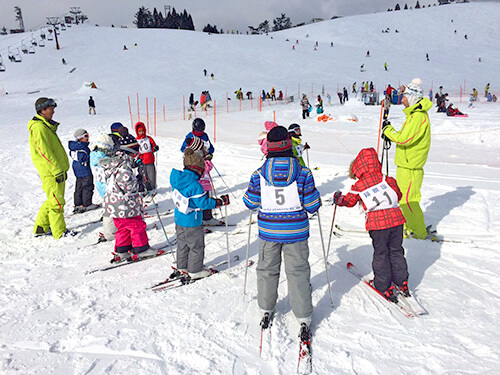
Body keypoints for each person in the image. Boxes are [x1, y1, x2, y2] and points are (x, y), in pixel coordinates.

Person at [242, 126, 321, 339]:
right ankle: (303, 315)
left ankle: (266, 307)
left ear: (269, 148)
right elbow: (312, 204)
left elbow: (250, 201)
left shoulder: (259, 173)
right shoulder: (303, 172)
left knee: (267, 269)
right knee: (298, 271)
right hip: (295, 231)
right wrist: (315, 201)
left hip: (269, 231)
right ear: (288, 145)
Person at [332, 148, 409, 302]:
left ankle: (382, 285)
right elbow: (398, 195)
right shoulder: (388, 179)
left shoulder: (359, 186)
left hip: (378, 225)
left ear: (358, 167)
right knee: (396, 251)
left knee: (381, 253)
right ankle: (402, 282)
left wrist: (339, 199)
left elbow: (348, 201)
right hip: (397, 221)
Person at [382, 78, 432, 240]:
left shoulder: (418, 117)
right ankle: (410, 226)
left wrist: (388, 131)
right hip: (406, 165)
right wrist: (389, 131)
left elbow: (404, 138)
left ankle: (419, 232)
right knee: (404, 198)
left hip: (411, 167)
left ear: (411, 98)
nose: (402, 100)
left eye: (404, 97)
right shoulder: (413, 115)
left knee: (409, 201)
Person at [170, 148, 230, 279]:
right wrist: (218, 202)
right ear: (198, 169)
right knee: (196, 246)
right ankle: (195, 270)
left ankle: (182, 265)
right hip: (192, 220)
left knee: (183, 243)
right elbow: (203, 204)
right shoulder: (196, 185)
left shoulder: (178, 179)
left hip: (179, 218)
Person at [100, 141, 158, 262]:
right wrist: (139, 182)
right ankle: (141, 248)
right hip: (124, 205)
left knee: (122, 227)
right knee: (136, 225)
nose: (136, 158)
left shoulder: (113, 165)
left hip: (114, 204)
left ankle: (122, 249)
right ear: (128, 155)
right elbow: (129, 187)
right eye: (134, 156)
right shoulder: (124, 168)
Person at [28, 97, 70, 239]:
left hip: (55, 170)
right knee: (57, 203)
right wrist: (57, 170)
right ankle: (60, 232)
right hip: (51, 172)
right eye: (51, 108)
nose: (53, 111)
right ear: (42, 110)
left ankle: (41, 227)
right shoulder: (39, 128)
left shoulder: (45, 126)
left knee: (52, 199)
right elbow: (44, 152)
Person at [180, 118, 216, 223]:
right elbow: (183, 149)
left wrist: (208, 154)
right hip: (194, 168)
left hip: (205, 165)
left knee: (206, 189)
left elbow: (211, 148)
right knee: (197, 192)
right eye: (198, 131)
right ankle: (198, 218)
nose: (200, 133)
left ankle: (207, 216)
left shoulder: (205, 136)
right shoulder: (190, 136)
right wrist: (195, 155)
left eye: (202, 131)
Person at [90, 134, 117, 243]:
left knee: (109, 207)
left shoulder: (94, 155)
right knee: (111, 209)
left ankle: (112, 230)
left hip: (101, 186)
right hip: (108, 187)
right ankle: (110, 233)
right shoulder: (104, 159)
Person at [68, 129, 96, 213]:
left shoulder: (74, 146)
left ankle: (78, 203)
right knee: (87, 186)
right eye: (86, 137)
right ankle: (87, 204)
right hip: (85, 169)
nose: (88, 139)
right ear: (80, 138)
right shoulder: (82, 147)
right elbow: (82, 158)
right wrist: (93, 155)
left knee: (79, 186)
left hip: (77, 170)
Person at [135, 122, 159, 195]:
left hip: (149, 159)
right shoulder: (136, 140)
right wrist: (136, 157)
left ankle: (152, 188)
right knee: (142, 175)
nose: (141, 133)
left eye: (142, 131)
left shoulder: (148, 138)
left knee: (151, 174)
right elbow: (134, 150)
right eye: (139, 131)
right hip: (141, 160)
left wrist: (155, 148)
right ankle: (143, 189)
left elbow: (153, 146)